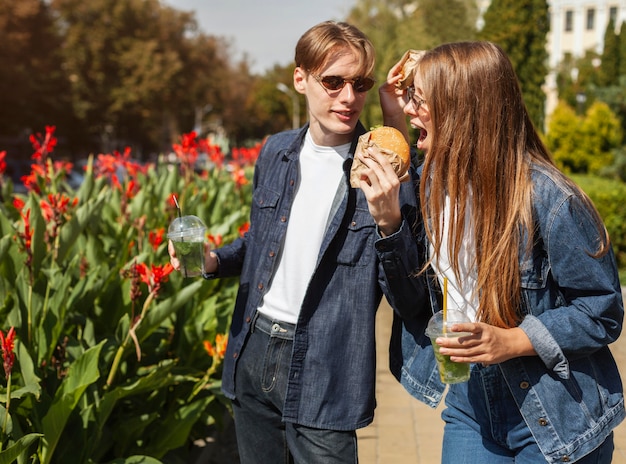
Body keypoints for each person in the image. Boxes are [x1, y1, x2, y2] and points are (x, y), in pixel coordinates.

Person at [169, 21, 424, 464]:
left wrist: (390, 220)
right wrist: (212, 261)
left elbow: (411, 293)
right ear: (300, 78)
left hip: (327, 363)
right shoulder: (276, 151)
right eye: (333, 81)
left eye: (360, 83)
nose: (348, 97)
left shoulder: (385, 169)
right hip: (253, 347)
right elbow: (261, 244)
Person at [382, 41, 625, 463]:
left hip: (553, 410)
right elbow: (410, 302)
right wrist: (388, 222)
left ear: (461, 109)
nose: (410, 111)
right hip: (469, 402)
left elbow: (602, 311)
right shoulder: (432, 186)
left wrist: (513, 339)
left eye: (420, 101)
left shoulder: (549, 198)